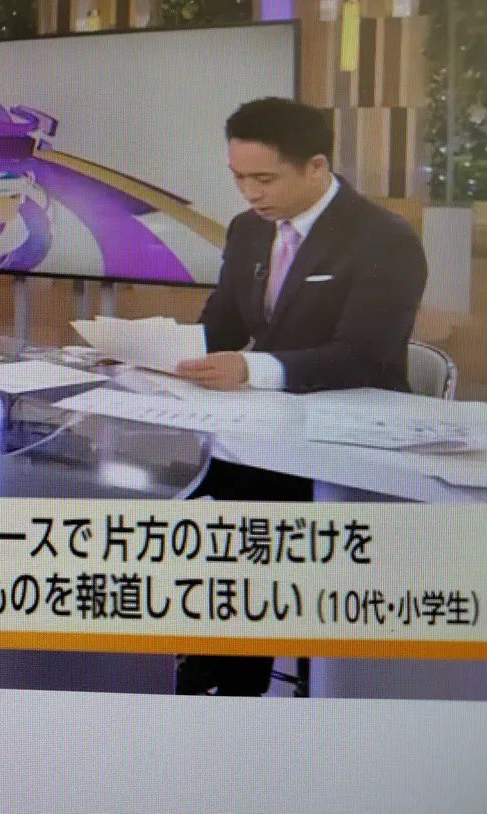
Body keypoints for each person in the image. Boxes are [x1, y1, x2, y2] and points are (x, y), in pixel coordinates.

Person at [172, 97, 428, 695]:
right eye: (238, 178)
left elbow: (363, 354)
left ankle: (229, 682)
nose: (249, 194)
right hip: (268, 428)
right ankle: (200, 662)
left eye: (264, 179)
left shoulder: (383, 239)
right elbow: (222, 326)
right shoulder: (247, 230)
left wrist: (252, 368)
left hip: (347, 439)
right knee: (183, 492)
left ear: (316, 166)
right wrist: (155, 348)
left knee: (245, 510)